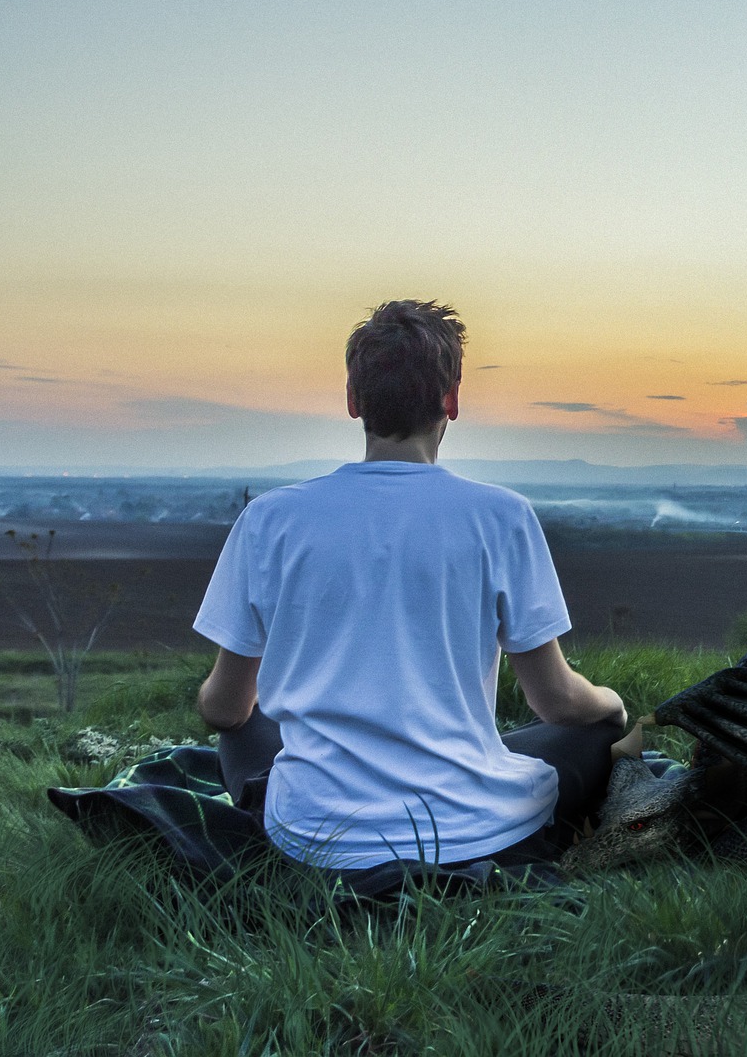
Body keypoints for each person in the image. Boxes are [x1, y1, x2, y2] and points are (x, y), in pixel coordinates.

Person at [192, 300, 628, 871]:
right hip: (471, 830)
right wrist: (612, 706)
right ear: (451, 400)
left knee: (243, 725)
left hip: (313, 837)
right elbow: (557, 703)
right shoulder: (501, 516)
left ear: (353, 401)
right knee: (596, 738)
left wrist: (248, 706)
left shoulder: (270, 520)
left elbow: (224, 711)